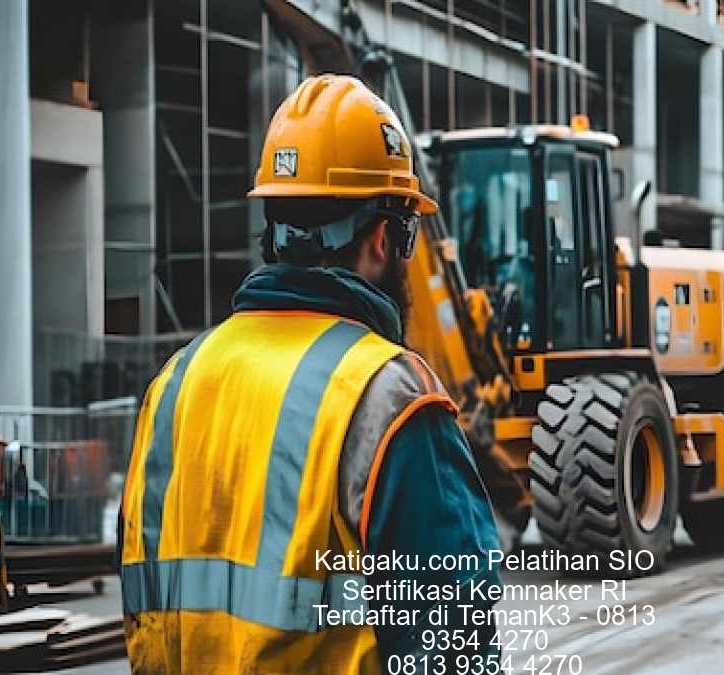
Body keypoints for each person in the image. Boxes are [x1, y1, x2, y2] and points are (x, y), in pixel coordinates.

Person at [119, 74, 502, 674]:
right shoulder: (388, 398)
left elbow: (144, 615)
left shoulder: (174, 385)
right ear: (382, 239)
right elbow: (453, 647)